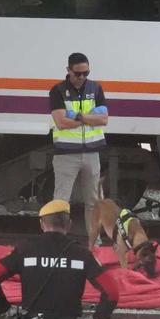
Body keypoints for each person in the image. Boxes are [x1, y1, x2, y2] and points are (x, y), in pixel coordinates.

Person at [48, 52, 108, 241]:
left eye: (86, 73)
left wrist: (78, 116)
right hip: (66, 153)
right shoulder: (57, 90)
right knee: (61, 201)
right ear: (68, 70)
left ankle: (94, 243)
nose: (82, 77)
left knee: (94, 202)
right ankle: (56, 241)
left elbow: (104, 120)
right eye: (78, 73)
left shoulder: (96, 88)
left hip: (92, 153)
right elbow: (61, 123)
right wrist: (90, 118)